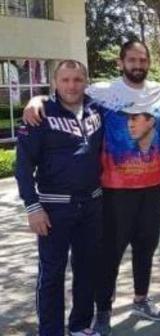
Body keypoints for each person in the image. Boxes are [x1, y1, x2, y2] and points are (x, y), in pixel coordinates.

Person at [23, 41, 160, 335]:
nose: (137, 64)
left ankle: (139, 301)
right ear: (121, 62)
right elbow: (67, 92)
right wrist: (38, 99)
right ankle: (102, 310)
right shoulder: (103, 92)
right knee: (107, 255)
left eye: (142, 59)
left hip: (152, 188)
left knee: (145, 248)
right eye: (131, 59)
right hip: (114, 191)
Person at [15, 60, 105, 336]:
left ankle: (79, 325)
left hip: (92, 204)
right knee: (52, 274)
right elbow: (23, 167)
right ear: (55, 83)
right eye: (65, 80)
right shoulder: (39, 114)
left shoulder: (97, 109)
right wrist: (33, 207)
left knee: (87, 270)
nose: (71, 85)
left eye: (77, 79)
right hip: (54, 208)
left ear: (85, 81)